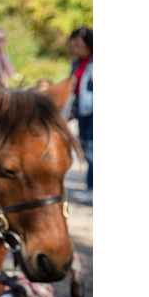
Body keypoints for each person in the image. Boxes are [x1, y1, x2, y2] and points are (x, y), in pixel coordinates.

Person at [69, 26, 93, 204]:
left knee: (92, 148)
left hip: (93, 109)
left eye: (78, 45)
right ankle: (91, 186)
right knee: (86, 148)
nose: (74, 48)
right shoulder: (77, 63)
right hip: (81, 110)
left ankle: (93, 187)